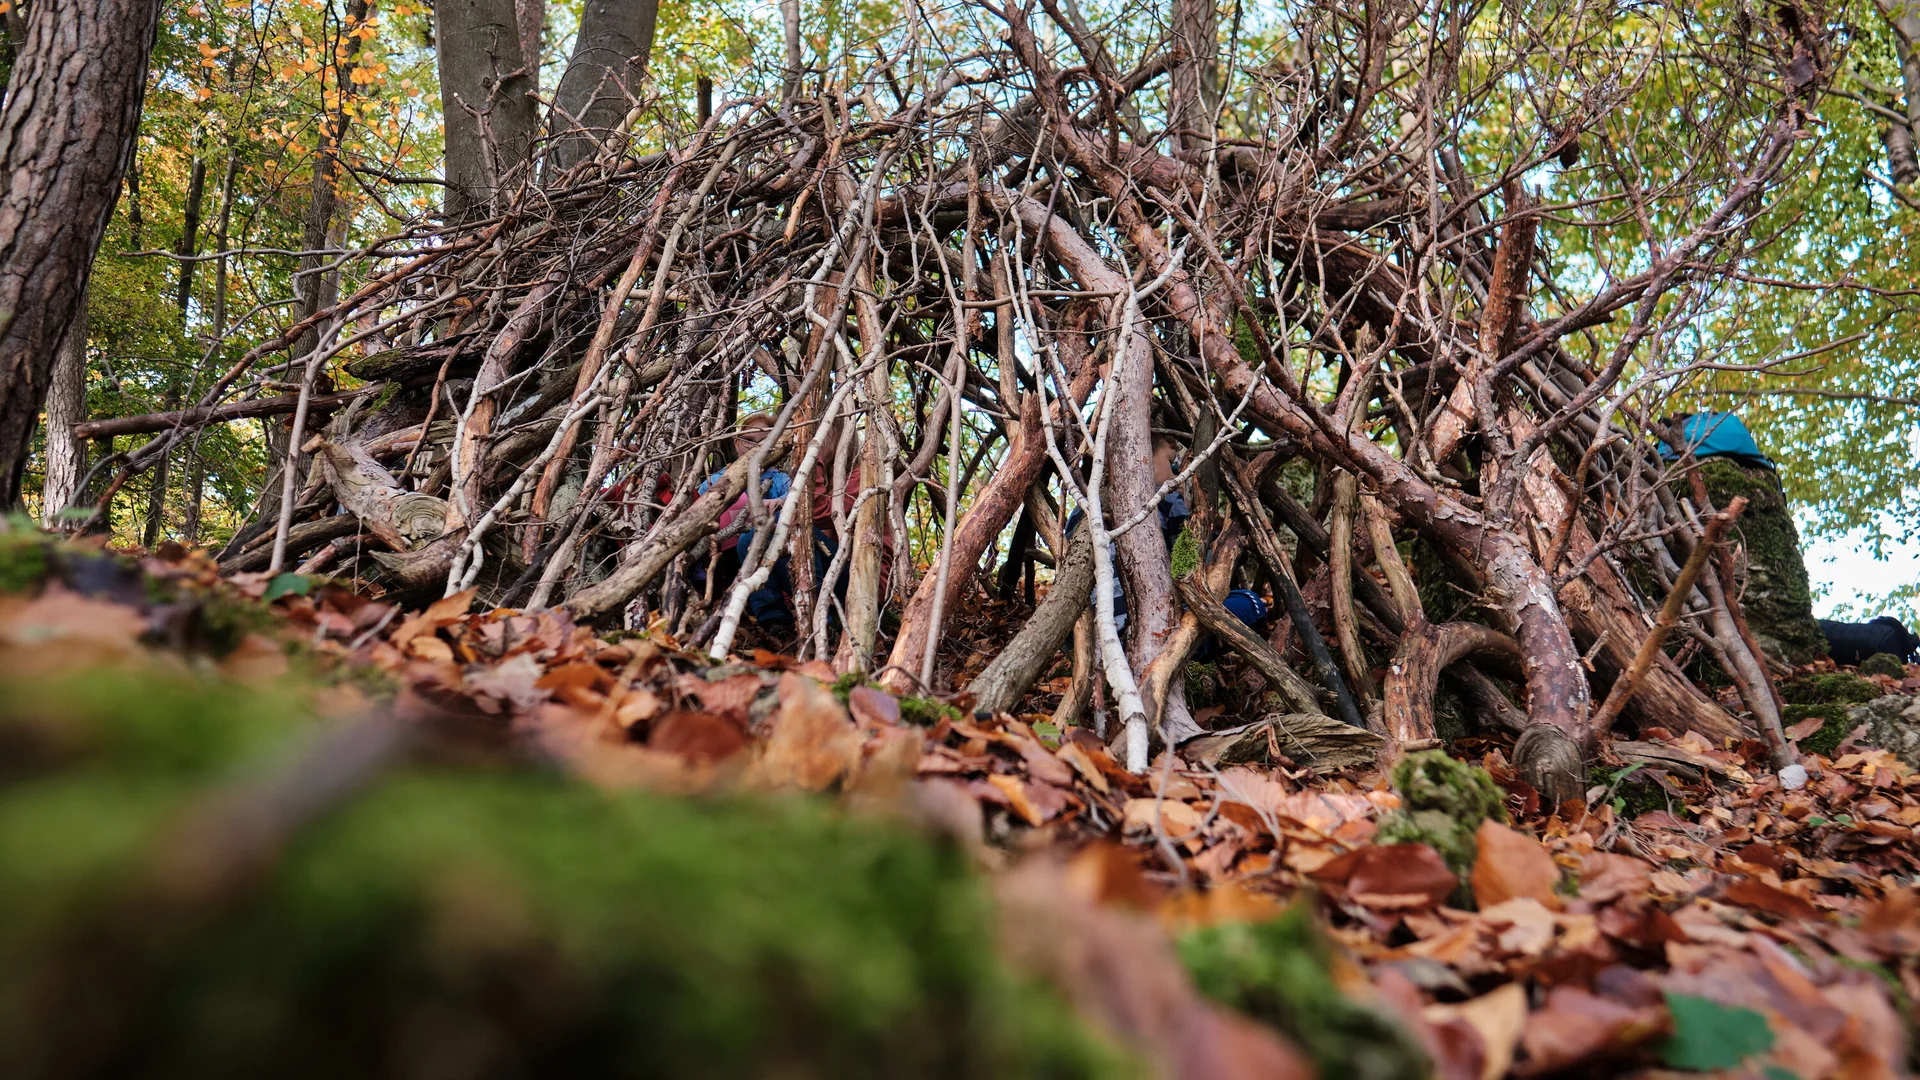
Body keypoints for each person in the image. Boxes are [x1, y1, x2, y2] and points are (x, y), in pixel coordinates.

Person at [1064, 432, 1269, 637]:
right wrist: (1190, 513)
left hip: (1089, 636)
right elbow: (1198, 572)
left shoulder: (1080, 511)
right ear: (1141, 456)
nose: (1175, 478)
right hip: (1159, 633)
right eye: (1171, 464)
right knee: (1250, 603)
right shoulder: (1167, 501)